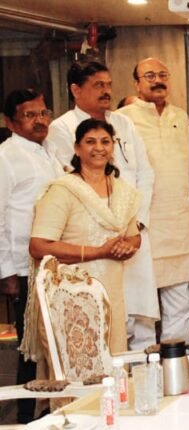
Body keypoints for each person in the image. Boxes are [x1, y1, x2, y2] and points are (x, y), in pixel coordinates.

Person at [45, 61, 157, 351]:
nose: (106, 91)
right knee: (100, 323)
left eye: (108, 85)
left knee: (141, 316)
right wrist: (107, 226)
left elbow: (145, 173)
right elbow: (70, 180)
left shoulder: (123, 122)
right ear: (75, 90)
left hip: (131, 231)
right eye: (98, 85)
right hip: (91, 239)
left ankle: (142, 375)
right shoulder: (61, 128)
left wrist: (136, 223)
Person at [27, 119, 143, 356]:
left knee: (112, 360)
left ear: (112, 147)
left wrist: (126, 247)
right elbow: (38, 246)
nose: (99, 148)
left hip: (111, 294)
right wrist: (98, 252)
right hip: (72, 296)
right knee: (80, 363)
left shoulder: (123, 191)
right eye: (90, 142)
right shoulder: (63, 191)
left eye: (105, 142)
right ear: (77, 148)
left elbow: (134, 237)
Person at [118, 57, 189, 343]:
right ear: (136, 83)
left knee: (180, 297)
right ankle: (143, 361)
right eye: (149, 76)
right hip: (143, 222)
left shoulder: (180, 116)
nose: (157, 80)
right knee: (142, 300)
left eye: (163, 74)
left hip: (178, 220)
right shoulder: (123, 118)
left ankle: (176, 359)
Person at [0, 89, 64, 423]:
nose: (39, 120)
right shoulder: (6, 157)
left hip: (56, 263)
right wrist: (6, 272)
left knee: (54, 340)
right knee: (30, 347)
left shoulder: (50, 150)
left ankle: (53, 408)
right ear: (10, 122)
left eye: (43, 113)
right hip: (24, 266)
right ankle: (26, 417)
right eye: (29, 115)